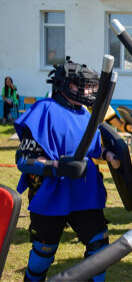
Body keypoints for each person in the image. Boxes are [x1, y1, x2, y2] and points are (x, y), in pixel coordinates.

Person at [14, 59, 121, 281]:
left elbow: (92, 150)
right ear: (66, 85)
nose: (90, 91)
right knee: (42, 256)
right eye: (84, 85)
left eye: (92, 86)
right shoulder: (43, 110)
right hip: (52, 195)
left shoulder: (86, 114)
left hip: (85, 195)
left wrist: (108, 154)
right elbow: (24, 159)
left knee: (100, 249)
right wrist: (56, 166)